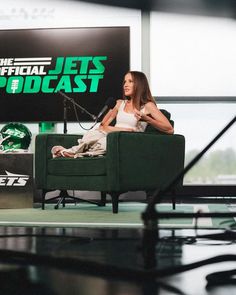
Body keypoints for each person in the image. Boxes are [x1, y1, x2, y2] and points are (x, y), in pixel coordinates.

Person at [52, 70, 174, 158]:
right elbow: (103, 126)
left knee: (105, 142)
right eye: (125, 81)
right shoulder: (119, 103)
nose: (125, 85)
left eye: (130, 81)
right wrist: (120, 129)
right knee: (92, 134)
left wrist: (147, 119)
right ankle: (76, 153)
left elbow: (169, 129)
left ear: (139, 85)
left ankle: (71, 153)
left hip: (127, 141)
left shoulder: (147, 106)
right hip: (113, 134)